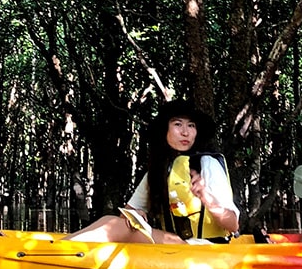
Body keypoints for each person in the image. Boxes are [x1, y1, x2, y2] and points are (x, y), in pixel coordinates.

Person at [64, 99, 240, 244]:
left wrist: (205, 196)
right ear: (165, 130)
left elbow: (232, 225)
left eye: (191, 125)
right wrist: (136, 215)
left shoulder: (207, 164)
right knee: (109, 222)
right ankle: (58, 250)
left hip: (209, 248)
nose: (185, 132)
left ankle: (54, 254)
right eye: (178, 124)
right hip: (176, 245)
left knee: (114, 226)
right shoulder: (160, 169)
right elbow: (127, 213)